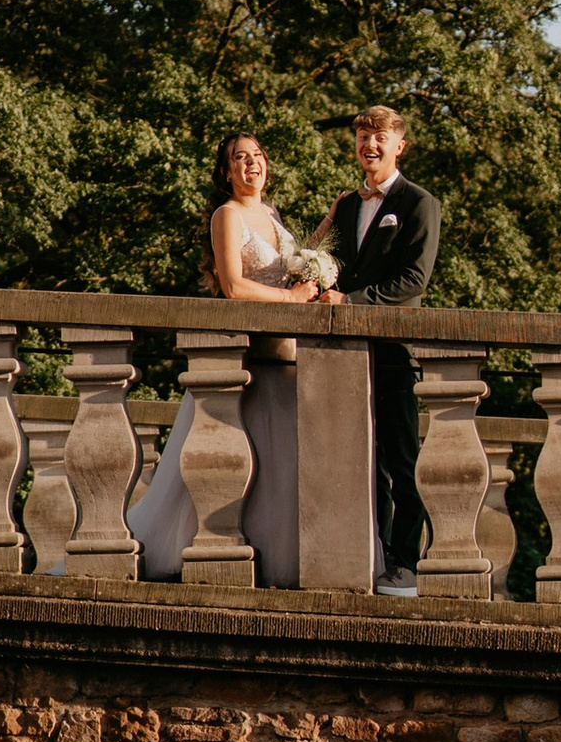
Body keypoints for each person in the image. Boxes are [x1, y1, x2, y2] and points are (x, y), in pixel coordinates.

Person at [129, 132, 319, 581]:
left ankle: (276, 558)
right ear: (226, 171)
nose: (251, 164)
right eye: (240, 158)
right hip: (252, 356)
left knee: (279, 462)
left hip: (288, 356)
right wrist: (291, 300)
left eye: (257, 156)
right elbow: (234, 286)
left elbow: (289, 265)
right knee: (238, 459)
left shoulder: (271, 214)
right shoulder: (227, 216)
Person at [311, 106, 441, 596]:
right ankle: (366, 555)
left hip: (391, 350)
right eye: (363, 135)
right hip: (340, 355)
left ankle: (405, 564)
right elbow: (330, 264)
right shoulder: (346, 206)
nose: (370, 144)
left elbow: (414, 280)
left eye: (380, 136)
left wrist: (351, 302)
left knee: (402, 462)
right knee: (352, 462)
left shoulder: (418, 203)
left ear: (399, 145)